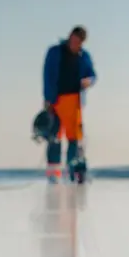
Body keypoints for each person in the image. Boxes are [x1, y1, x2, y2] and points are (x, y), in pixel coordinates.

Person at [42, 26, 96, 183]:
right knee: (54, 137)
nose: (74, 43)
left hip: (74, 101)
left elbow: (92, 75)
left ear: (81, 43)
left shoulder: (83, 56)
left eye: (78, 42)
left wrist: (89, 81)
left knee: (74, 138)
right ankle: (53, 175)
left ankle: (72, 172)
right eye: (73, 39)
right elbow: (47, 75)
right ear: (70, 37)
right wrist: (47, 99)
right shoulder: (54, 52)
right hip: (56, 100)